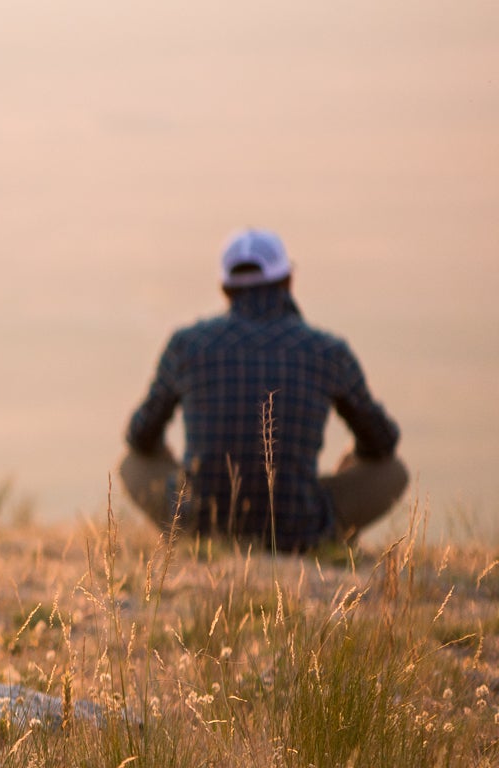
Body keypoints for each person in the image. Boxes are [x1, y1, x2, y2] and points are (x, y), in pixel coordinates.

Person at [121, 228, 406, 550]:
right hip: (300, 529)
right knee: (394, 472)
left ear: (225, 288)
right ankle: (331, 539)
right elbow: (383, 443)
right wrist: (352, 461)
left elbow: (139, 436)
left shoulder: (186, 345)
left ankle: (184, 537)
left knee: (131, 463)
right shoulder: (327, 351)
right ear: (288, 281)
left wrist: (171, 461)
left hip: (203, 526)